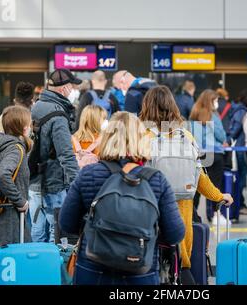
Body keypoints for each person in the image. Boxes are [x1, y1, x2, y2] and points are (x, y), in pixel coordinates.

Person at [59, 111, 185, 285]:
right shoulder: (156, 180)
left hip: (93, 270)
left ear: (107, 138)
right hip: (141, 272)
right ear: (141, 139)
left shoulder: (89, 174)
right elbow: (175, 234)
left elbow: (66, 223)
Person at [139, 86, 233, 284]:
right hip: (179, 220)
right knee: (181, 268)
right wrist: (218, 196)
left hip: (148, 220)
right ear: (172, 107)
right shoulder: (186, 137)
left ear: (146, 106)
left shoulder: (141, 138)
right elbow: (199, 177)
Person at [28, 69, 80, 243]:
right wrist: (78, 185)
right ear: (64, 88)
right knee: (56, 232)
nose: (73, 90)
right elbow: (66, 155)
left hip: (34, 179)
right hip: (54, 183)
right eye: (72, 86)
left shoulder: (36, 107)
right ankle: (51, 269)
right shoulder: (58, 115)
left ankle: (35, 267)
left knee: (37, 230)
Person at [0, 106, 32, 256]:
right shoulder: (15, 148)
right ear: (22, 128)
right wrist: (20, 201)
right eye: (28, 124)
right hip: (9, 219)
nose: (30, 127)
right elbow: (2, 175)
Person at [189, 89, 233, 225]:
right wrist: (224, 140)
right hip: (215, 154)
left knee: (196, 185)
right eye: (215, 100)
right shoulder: (213, 115)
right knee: (214, 185)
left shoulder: (194, 115)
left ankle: (193, 214)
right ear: (210, 101)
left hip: (198, 154)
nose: (217, 103)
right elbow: (221, 134)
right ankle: (216, 215)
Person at [229, 89, 247, 215]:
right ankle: (240, 205)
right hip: (242, 149)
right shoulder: (242, 112)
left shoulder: (239, 110)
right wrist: (229, 140)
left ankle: (240, 204)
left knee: (242, 178)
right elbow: (237, 128)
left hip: (241, 148)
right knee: (242, 179)